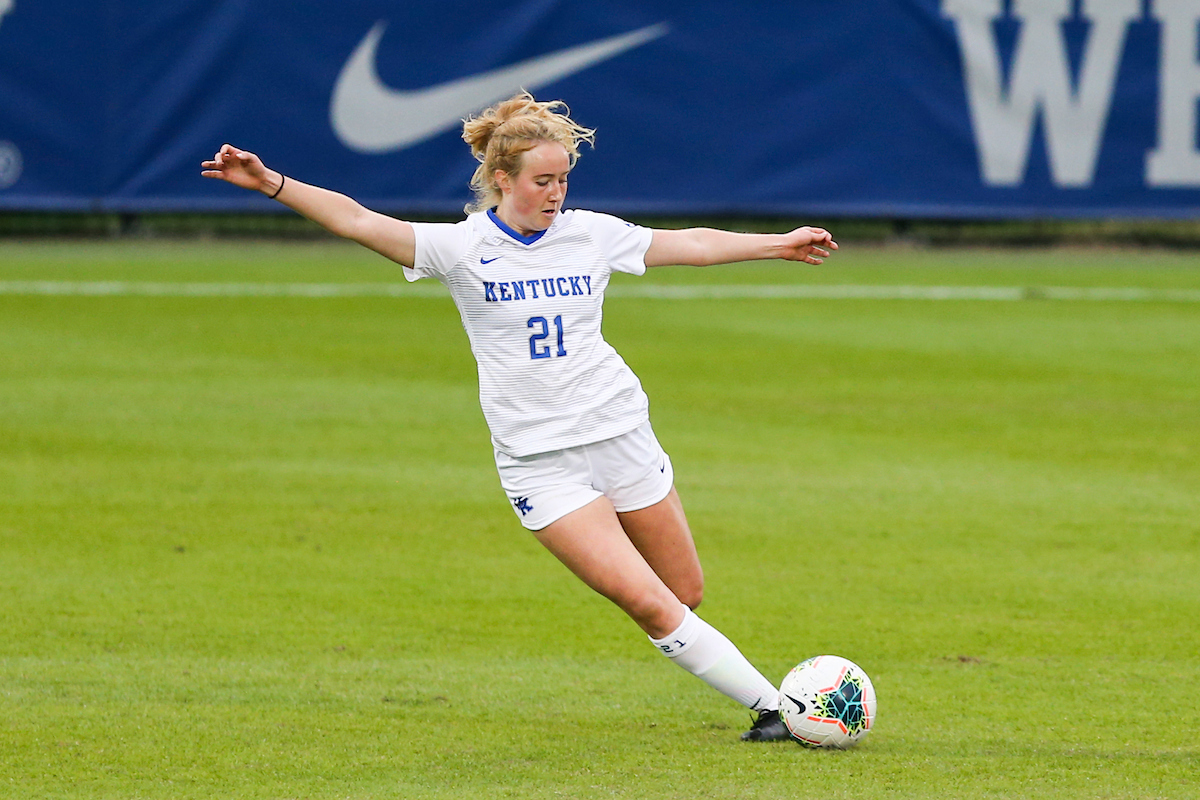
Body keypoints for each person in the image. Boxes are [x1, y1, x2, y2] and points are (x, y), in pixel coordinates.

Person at [202, 92, 836, 742]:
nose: (556, 193)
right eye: (542, 180)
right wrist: (271, 182)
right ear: (502, 179)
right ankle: (779, 711)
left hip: (622, 435)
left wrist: (777, 244)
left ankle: (769, 702)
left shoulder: (590, 234)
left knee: (683, 593)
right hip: (542, 464)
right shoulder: (461, 247)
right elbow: (358, 220)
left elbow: (690, 243)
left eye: (563, 179)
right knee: (648, 603)